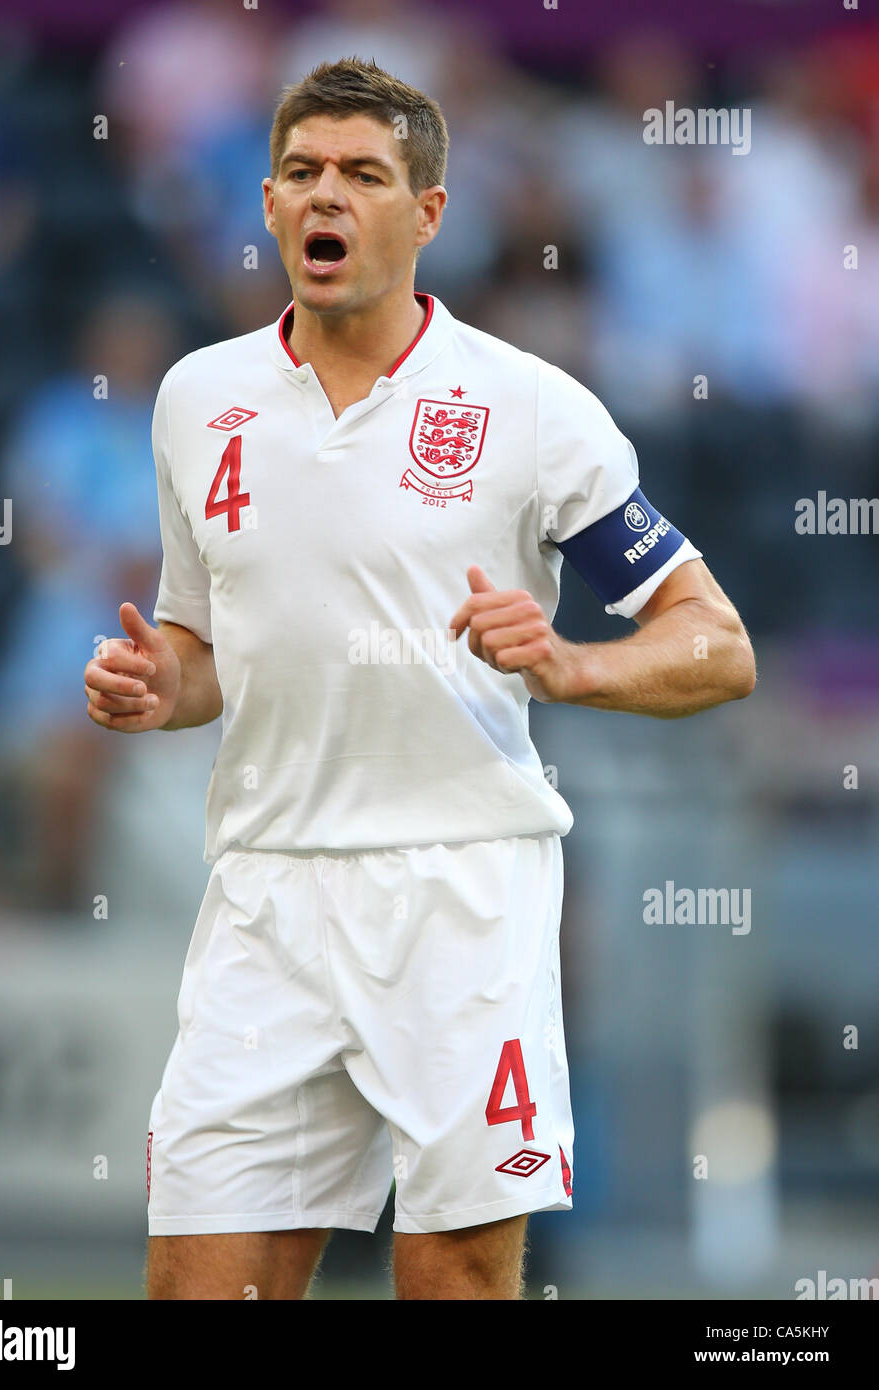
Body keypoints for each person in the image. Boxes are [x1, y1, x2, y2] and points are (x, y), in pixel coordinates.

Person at [83, 58, 756, 1301]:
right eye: (299, 172)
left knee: (452, 1278)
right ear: (271, 205)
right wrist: (151, 683)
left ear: (427, 212)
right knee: (196, 1284)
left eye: (361, 174)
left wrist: (567, 663)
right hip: (266, 894)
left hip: (461, 893)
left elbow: (716, 644)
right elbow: (201, 649)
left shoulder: (530, 408)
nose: (323, 195)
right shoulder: (199, 399)